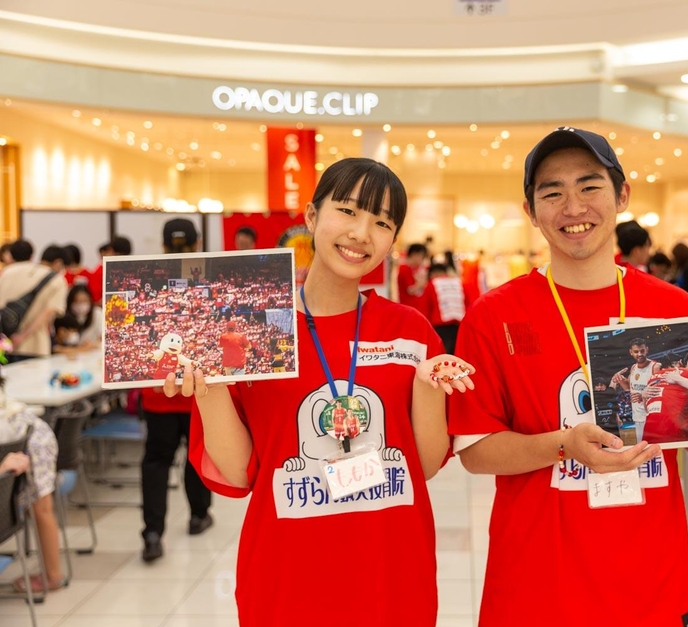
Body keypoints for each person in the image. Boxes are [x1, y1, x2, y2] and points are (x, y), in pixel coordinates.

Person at [448, 126, 688, 625]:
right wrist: (564, 444)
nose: (573, 207)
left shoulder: (673, 307)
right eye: (552, 192)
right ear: (531, 211)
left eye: (590, 186)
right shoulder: (494, 315)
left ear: (622, 196)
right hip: (538, 581)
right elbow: (476, 452)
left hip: (651, 576)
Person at [164, 158, 476, 626]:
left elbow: (426, 465)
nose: (361, 233)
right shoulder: (250, 330)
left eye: (382, 222)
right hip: (287, 571)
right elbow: (239, 472)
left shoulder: (409, 332)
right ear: (311, 216)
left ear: (393, 239)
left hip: (390, 568)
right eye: (347, 211)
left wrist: (426, 387)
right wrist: (209, 388)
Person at [139, 218, 213, 563]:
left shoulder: (148, 286)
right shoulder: (207, 285)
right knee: (196, 457)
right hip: (195, 393)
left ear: (164, 245)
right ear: (197, 244)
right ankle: (199, 515)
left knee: (156, 462)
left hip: (158, 394)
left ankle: (153, 533)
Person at [0, 399, 66, 593]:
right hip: (32, 434)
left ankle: (52, 576)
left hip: (32, 442)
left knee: (42, 510)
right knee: (41, 509)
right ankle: (52, 574)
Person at [0, 243, 69, 361]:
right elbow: (48, 313)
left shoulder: (5, 273)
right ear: (58, 263)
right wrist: (21, 337)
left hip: (4, 346)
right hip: (35, 346)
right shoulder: (56, 280)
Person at [608, 337, 660, 441]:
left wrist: (643, 396)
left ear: (647, 350)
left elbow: (660, 391)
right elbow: (629, 388)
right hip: (637, 417)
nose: (639, 354)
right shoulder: (633, 367)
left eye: (642, 351)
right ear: (631, 352)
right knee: (641, 447)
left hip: (651, 418)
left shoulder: (655, 367)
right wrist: (619, 379)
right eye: (636, 352)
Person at [425, 262, 466, 353]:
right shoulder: (459, 283)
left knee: (443, 355)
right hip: (459, 326)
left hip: (440, 326)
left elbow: (426, 307)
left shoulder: (432, 284)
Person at [396, 242, 430, 316]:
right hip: (409, 309)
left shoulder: (417, 268)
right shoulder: (404, 269)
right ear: (415, 255)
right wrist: (422, 283)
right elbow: (410, 290)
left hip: (419, 309)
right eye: (421, 256)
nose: (422, 260)